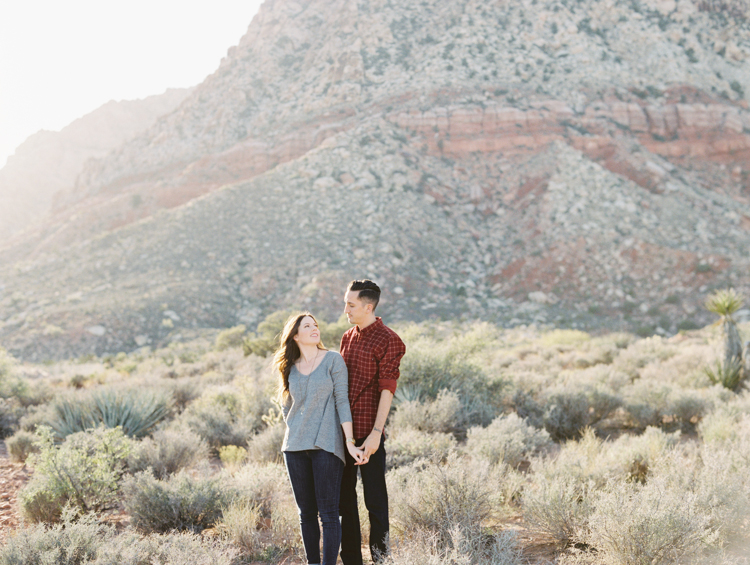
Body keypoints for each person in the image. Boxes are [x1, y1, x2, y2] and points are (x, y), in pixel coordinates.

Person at [275, 312, 365, 565]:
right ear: (295, 335)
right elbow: (286, 404)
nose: (315, 329)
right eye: (307, 326)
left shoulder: (333, 360)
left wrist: (349, 441)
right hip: (294, 446)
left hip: (326, 444)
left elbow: (342, 400)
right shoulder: (289, 367)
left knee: (328, 514)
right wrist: (294, 425)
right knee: (306, 514)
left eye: (315, 325)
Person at [339, 280, 406, 565]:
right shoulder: (347, 337)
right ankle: (352, 559)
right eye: (345, 303)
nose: (346, 309)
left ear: (368, 307)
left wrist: (376, 433)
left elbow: (387, 389)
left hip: (370, 434)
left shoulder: (390, 340)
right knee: (345, 502)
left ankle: (380, 560)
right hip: (343, 434)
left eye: (351, 305)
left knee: (375, 502)